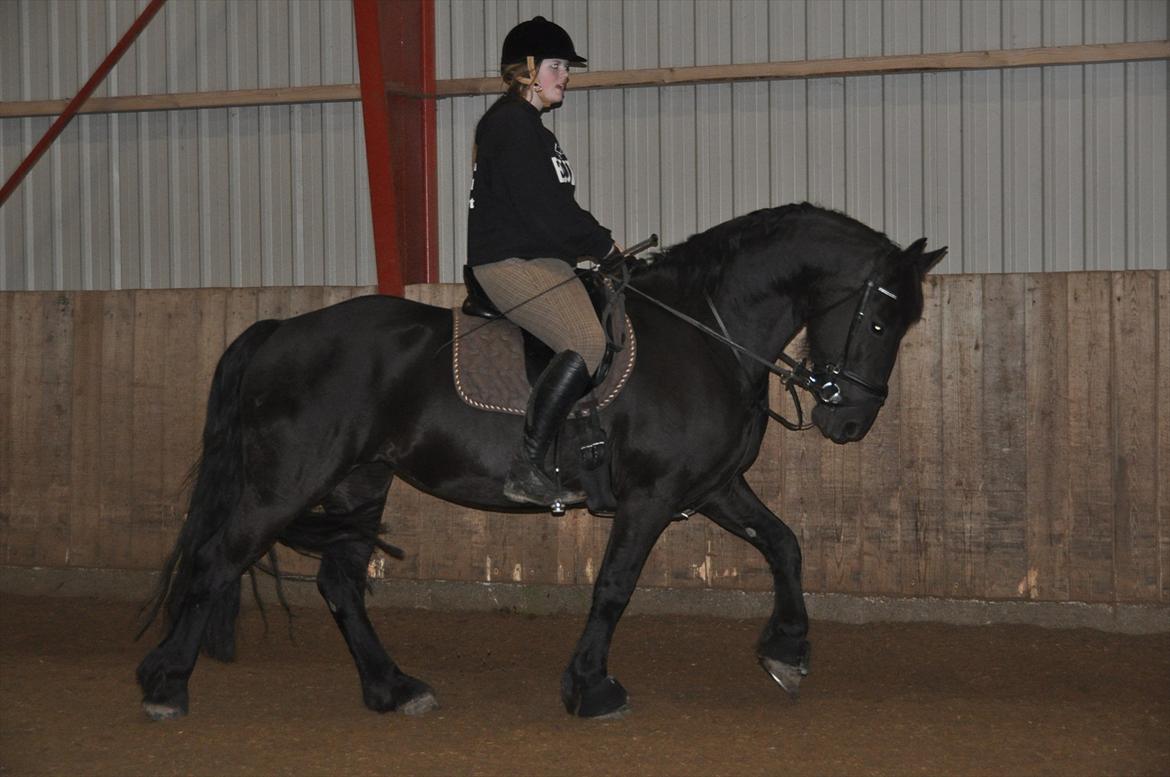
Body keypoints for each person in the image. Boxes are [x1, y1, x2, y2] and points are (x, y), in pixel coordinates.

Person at [465, 16, 620, 508]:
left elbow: (553, 211)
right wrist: (604, 247)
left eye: (566, 68)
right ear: (527, 70)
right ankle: (527, 466)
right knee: (587, 341)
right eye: (556, 66)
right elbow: (547, 212)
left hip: (541, 257)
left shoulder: (530, 128)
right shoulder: (511, 124)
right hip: (510, 262)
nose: (565, 76)